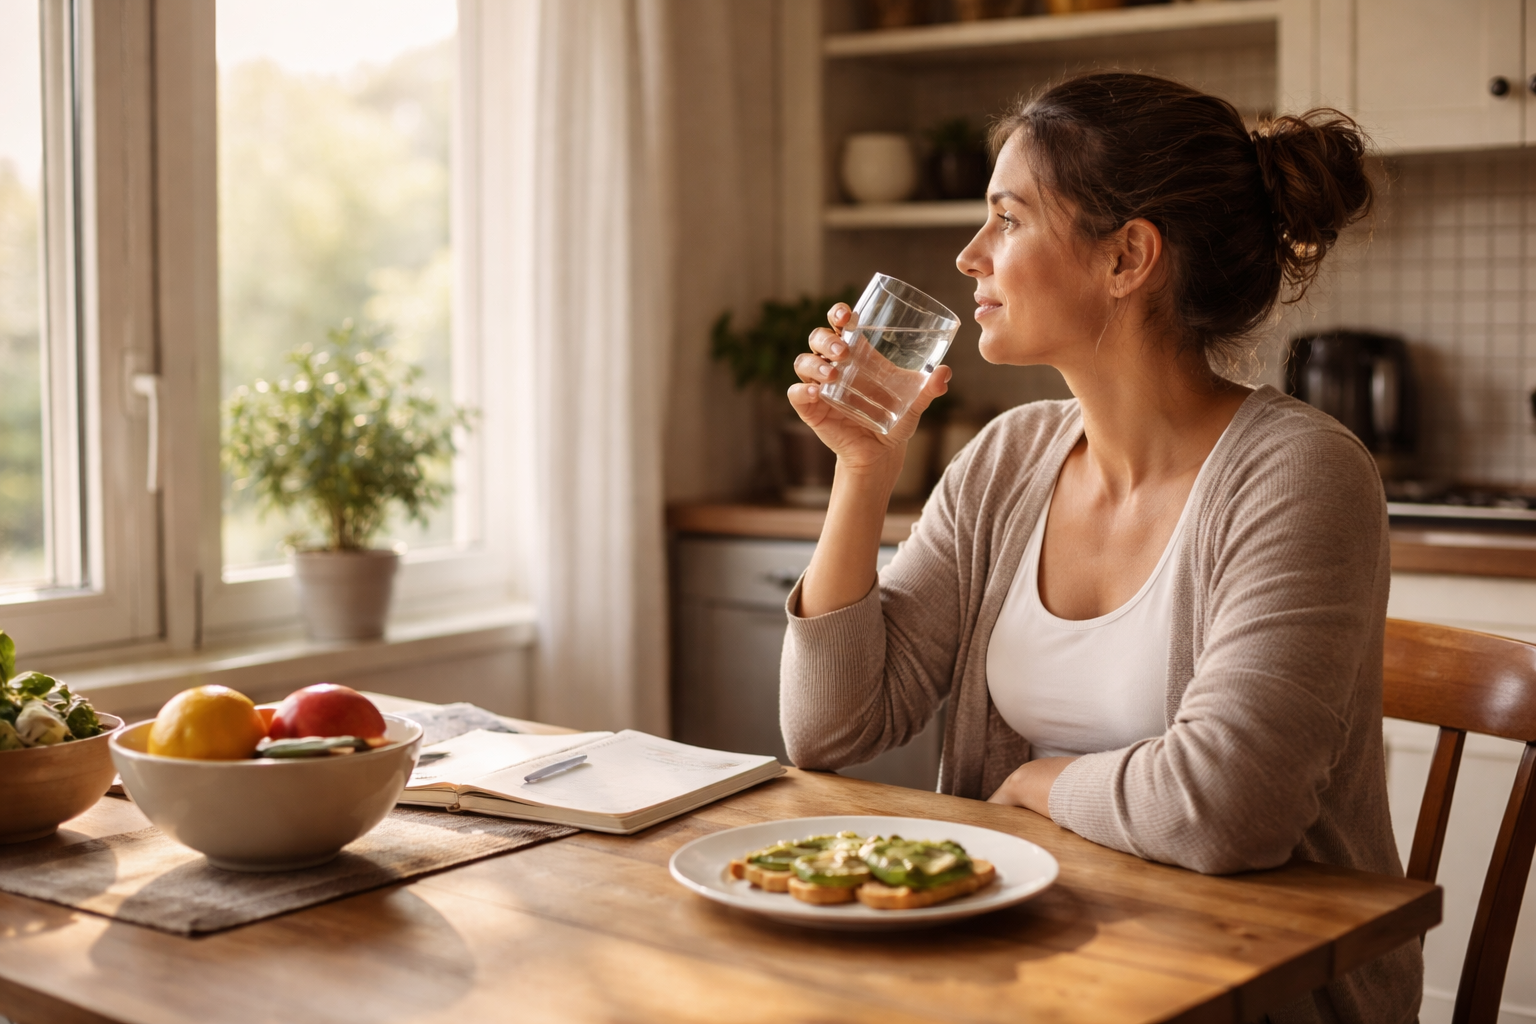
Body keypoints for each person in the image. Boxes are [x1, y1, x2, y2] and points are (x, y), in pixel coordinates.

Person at [779, 72, 1420, 1024]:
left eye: (1008, 220)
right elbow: (830, 731)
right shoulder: (1007, 459)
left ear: (1127, 257)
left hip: (1254, 992)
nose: (969, 256)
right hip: (1030, 968)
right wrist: (864, 471)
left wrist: (1035, 783)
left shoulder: (1301, 476)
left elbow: (1228, 806)